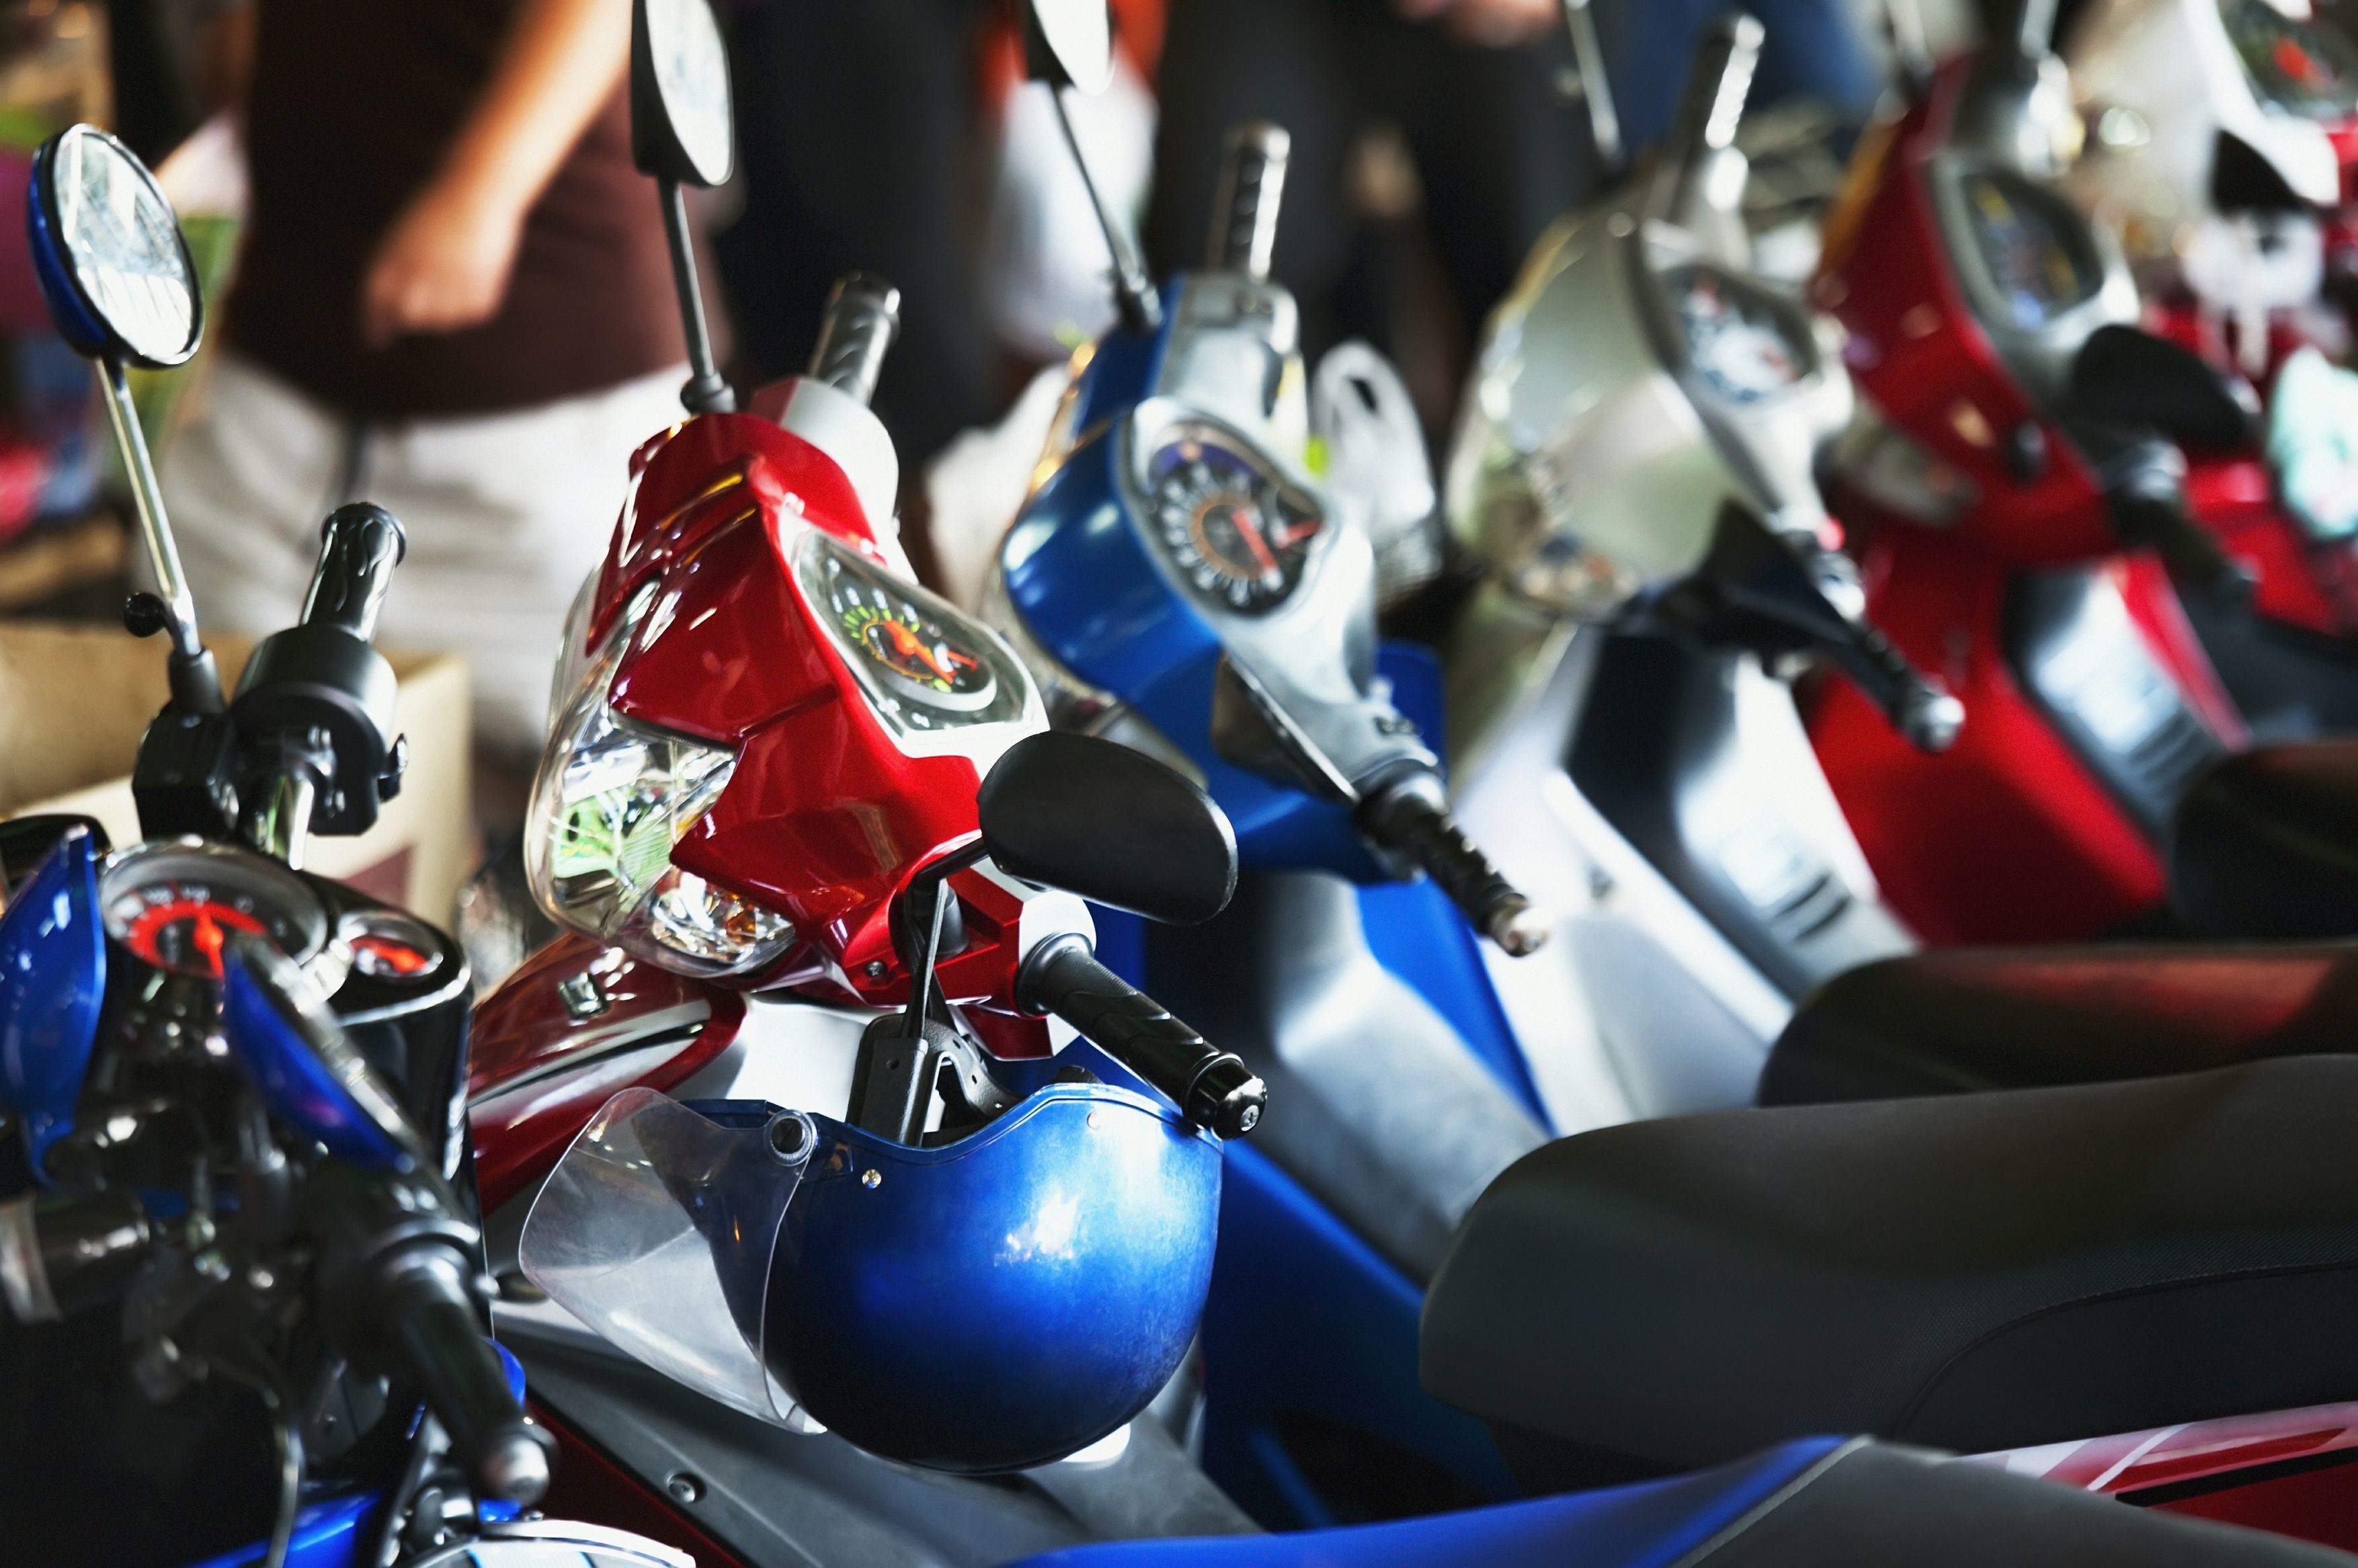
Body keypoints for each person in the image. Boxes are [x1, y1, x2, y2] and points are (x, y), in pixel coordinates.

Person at [161, 0, 686, 768]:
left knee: (588, 772)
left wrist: (482, 193)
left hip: (541, 410)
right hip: (286, 375)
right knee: (217, 742)